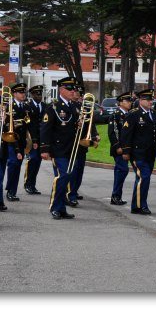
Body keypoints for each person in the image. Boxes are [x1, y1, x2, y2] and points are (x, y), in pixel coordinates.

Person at [40, 76, 78, 220]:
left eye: (73, 89)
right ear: (61, 89)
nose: (72, 91)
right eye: (69, 89)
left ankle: (61, 208)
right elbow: (45, 128)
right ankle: (54, 207)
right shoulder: (53, 107)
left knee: (67, 177)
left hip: (71, 148)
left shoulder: (73, 106)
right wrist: (44, 149)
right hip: (58, 148)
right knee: (63, 176)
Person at [120, 88, 156, 215]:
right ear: (140, 100)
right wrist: (126, 151)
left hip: (150, 153)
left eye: (151, 99)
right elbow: (126, 134)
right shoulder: (133, 114)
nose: (151, 102)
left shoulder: (154, 114)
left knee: (142, 179)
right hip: (138, 153)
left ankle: (136, 205)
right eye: (148, 99)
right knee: (144, 177)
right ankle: (141, 205)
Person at [66, 82, 99, 206]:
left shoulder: (83, 106)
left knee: (79, 170)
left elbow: (91, 122)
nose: (77, 94)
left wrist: (94, 135)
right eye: (75, 92)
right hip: (72, 142)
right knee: (72, 170)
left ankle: (74, 190)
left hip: (82, 143)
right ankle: (70, 194)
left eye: (79, 93)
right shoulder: (69, 106)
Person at [4, 83, 28, 201]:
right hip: (12, 142)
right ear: (14, 94)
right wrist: (17, 148)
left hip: (22, 142)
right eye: (20, 92)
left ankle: (13, 191)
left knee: (17, 167)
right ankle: (9, 191)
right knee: (13, 165)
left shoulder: (24, 107)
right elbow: (10, 128)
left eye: (24, 92)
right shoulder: (10, 107)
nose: (23, 94)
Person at [108, 91, 133, 205]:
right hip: (119, 148)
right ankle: (115, 196)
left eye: (130, 101)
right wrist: (117, 146)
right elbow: (112, 132)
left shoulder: (129, 114)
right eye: (127, 101)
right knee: (122, 170)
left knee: (121, 171)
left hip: (127, 148)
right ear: (121, 102)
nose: (129, 103)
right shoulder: (116, 114)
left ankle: (117, 196)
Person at [23, 85, 45, 195]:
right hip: (32, 139)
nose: (39, 96)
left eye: (40, 94)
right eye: (37, 94)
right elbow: (29, 125)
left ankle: (33, 185)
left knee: (37, 162)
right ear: (32, 95)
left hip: (42, 139)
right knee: (32, 161)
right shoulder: (28, 107)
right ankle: (28, 184)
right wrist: (34, 140)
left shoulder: (45, 106)